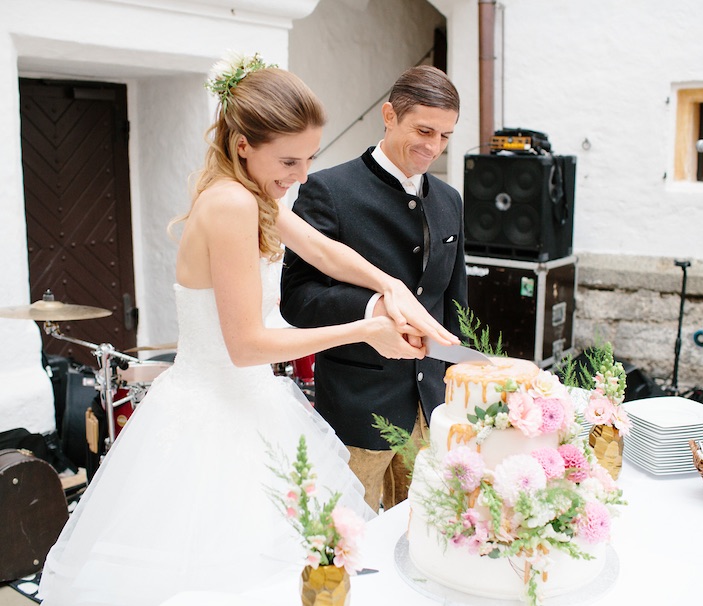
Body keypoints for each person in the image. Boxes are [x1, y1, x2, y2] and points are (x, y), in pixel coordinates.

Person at [38, 54, 457, 605]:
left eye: (310, 157)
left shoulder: (253, 193)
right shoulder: (231, 204)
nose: (302, 174)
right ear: (243, 145)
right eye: (290, 159)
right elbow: (247, 346)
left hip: (255, 406)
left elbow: (323, 249)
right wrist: (363, 327)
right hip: (214, 415)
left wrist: (392, 289)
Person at [280, 65, 467, 512]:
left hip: (431, 411)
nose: (432, 147)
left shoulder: (450, 200)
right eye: (424, 130)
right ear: (389, 114)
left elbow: (454, 301)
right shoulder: (328, 189)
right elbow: (297, 300)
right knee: (350, 540)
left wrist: (461, 385)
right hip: (357, 410)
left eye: (444, 136)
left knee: (425, 532)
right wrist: (373, 308)